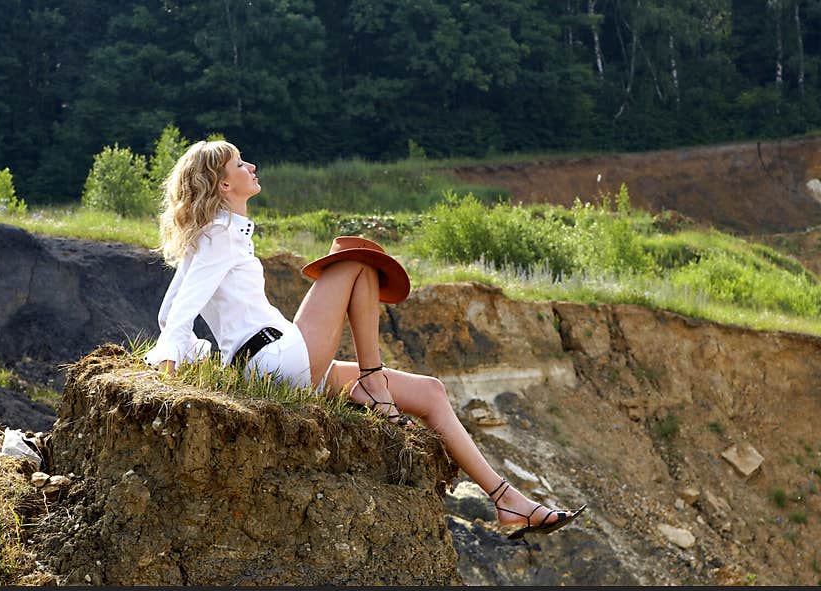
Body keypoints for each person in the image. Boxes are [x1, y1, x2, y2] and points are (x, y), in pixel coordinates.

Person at [144, 140, 585, 540]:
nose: (252, 165)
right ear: (223, 184)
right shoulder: (219, 237)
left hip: (277, 360)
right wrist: (169, 368)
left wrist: (196, 357)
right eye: (241, 163)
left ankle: (508, 501)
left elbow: (168, 312)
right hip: (276, 360)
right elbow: (177, 320)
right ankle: (373, 383)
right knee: (357, 261)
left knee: (431, 393)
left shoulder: (214, 237)